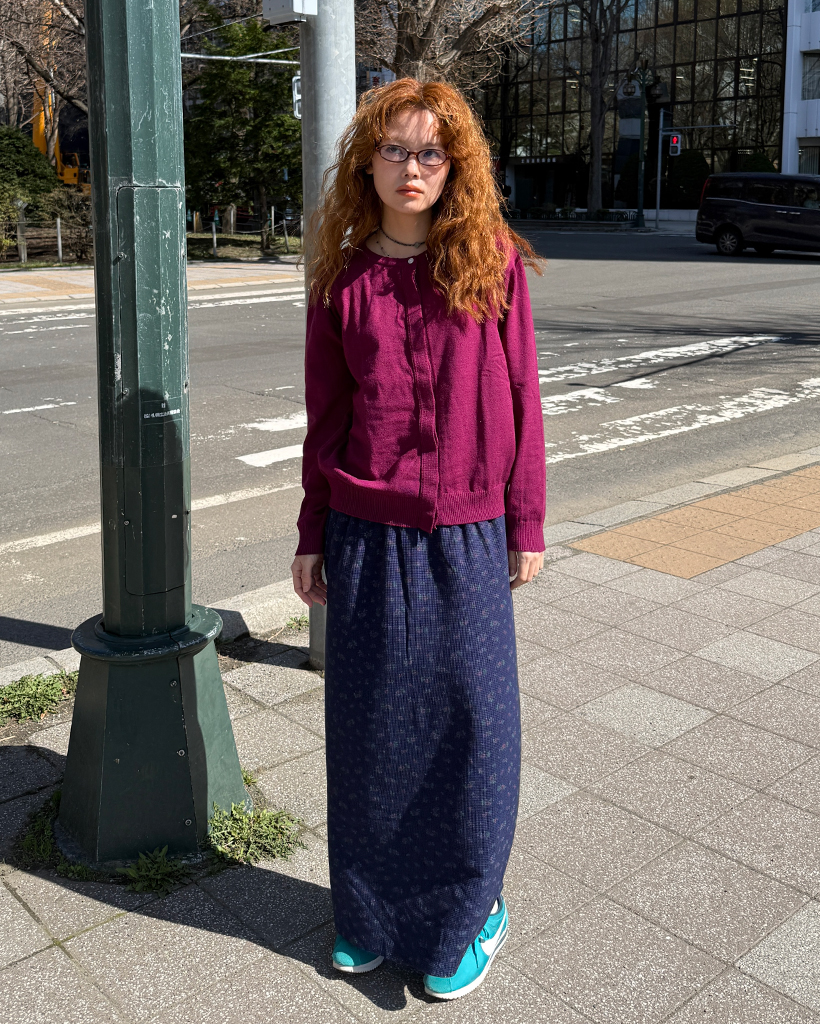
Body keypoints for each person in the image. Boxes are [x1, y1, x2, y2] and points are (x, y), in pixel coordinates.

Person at [291, 77, 546, 1001]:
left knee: (473, 730)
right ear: (368, 163)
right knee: (369, 732)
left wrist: (526, 519)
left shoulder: (489, 263)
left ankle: (468, 913)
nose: (412, 167)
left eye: (430, 152)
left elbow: (522, 394)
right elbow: (327, 417)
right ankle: (367, 916)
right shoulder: (343, 280)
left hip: (471, 531)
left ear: (455, 166)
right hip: (366, 530)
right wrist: (313, 530)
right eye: (394, 149)